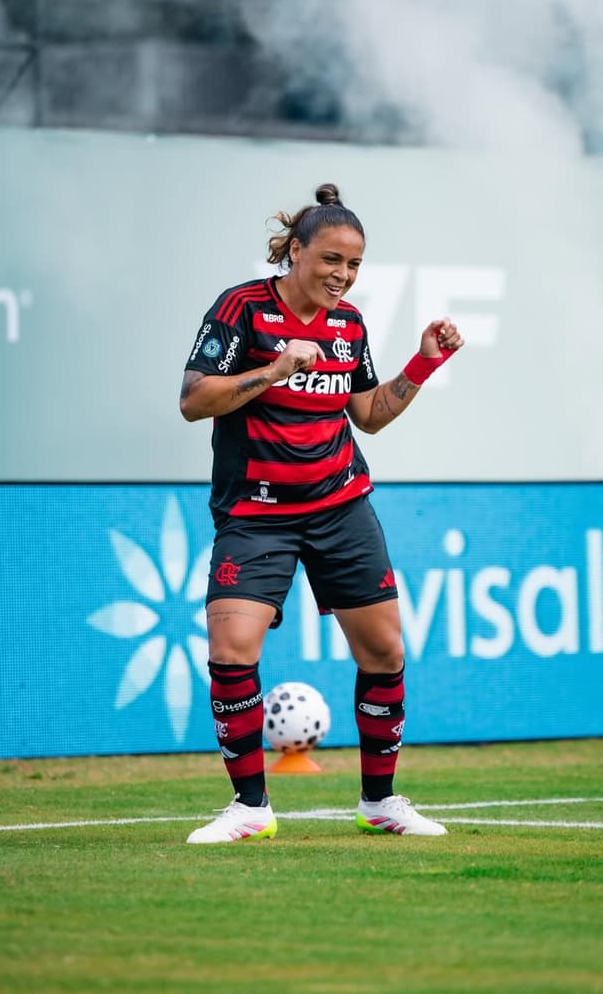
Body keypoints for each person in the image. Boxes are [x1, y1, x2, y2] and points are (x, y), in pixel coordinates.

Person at [179, 183, 464, 844]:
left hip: (340, 508)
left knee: (385, 651)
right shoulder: (242, 308)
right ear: (295, 253)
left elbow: (369, 415)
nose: (342, 274)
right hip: (255, 514)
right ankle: (250, 808)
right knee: (231, 648)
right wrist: (274, 370)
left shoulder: (349, 326)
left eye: (354, 264)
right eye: (331, 259)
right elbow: (193, 400)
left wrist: (425, 362)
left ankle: (379, 803)